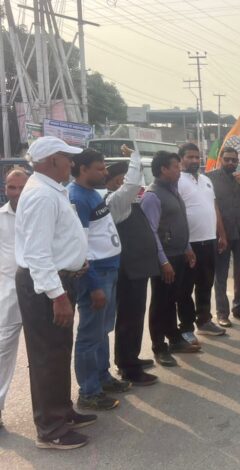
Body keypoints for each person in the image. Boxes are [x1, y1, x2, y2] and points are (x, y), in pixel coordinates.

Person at [15, 136, 95, 449]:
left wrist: (75, 259)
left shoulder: (52, 190)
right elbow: (37, 252)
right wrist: (57, 296)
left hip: (58, 281)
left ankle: (61, 411)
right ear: (52, 160)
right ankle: (50, 429)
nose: (71, 163)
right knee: (47, 355)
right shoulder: (41, 195)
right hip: (45, 287)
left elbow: (57, 239)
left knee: (59, 350)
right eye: (67, 157)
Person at [68, 149, 128, 411]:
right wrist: (93, 285)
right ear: (83, 169)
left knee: (102, 330)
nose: (105, 173)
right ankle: (89, 391)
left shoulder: (93, 193)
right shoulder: (77, 198)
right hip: (96, 275)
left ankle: (103, 378)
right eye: (100, 168)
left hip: (109, 269)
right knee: (89, 335)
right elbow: (79, 246)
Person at [104, 146, 159, 385]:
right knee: (128, 318)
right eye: (123, 179)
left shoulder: (129, 202)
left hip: (138, 269)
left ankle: (130, 357)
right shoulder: (115, 202)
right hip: (128, 270)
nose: (133, 185)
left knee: (135, 316)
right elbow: (132, 184)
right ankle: (128, 367)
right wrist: (135, 157)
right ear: (118, 182)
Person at [141, 151, 200, 368]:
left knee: (173, 299)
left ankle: (174, 338)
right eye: (175, 166)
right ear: (163, 169)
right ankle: (159, 347)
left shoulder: (173, 190)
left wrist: (187, 247)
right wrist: (163, 261)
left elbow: (178, 222)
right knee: (160, 303)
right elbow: (151, 232)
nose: (179, 170)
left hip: (179, 254)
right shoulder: (152, 196)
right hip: (165, 259)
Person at [177, 143, 227, 344]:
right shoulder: (177, 180)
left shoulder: (206, 180)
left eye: (197, 157)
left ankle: (204, 321)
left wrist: (221, 234)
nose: (195, 160)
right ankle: (186, 327)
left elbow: (214, 207)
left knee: (205, 284)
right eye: (190, 157)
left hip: (209, 240)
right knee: (185, 288)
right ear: (181, 159)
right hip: (189, 244)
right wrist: (184, 244)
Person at [208, 147, 240, 327]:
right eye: (227, 159)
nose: (231, 162)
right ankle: (222, 313)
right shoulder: (210, 178)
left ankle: (239, 308)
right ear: (220, 160)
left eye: (234, 160)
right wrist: (219, 233)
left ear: (238, 161)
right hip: (221, 234)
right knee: (221, 274)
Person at [0, 170, 28, 429]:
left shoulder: (40, 214)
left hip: (40, 295)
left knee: (45, 355)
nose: (17, 193)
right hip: (8, 298)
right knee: (2, 354)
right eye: (12, 187)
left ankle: (54, 411)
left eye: (21, 187)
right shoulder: (0, 218)